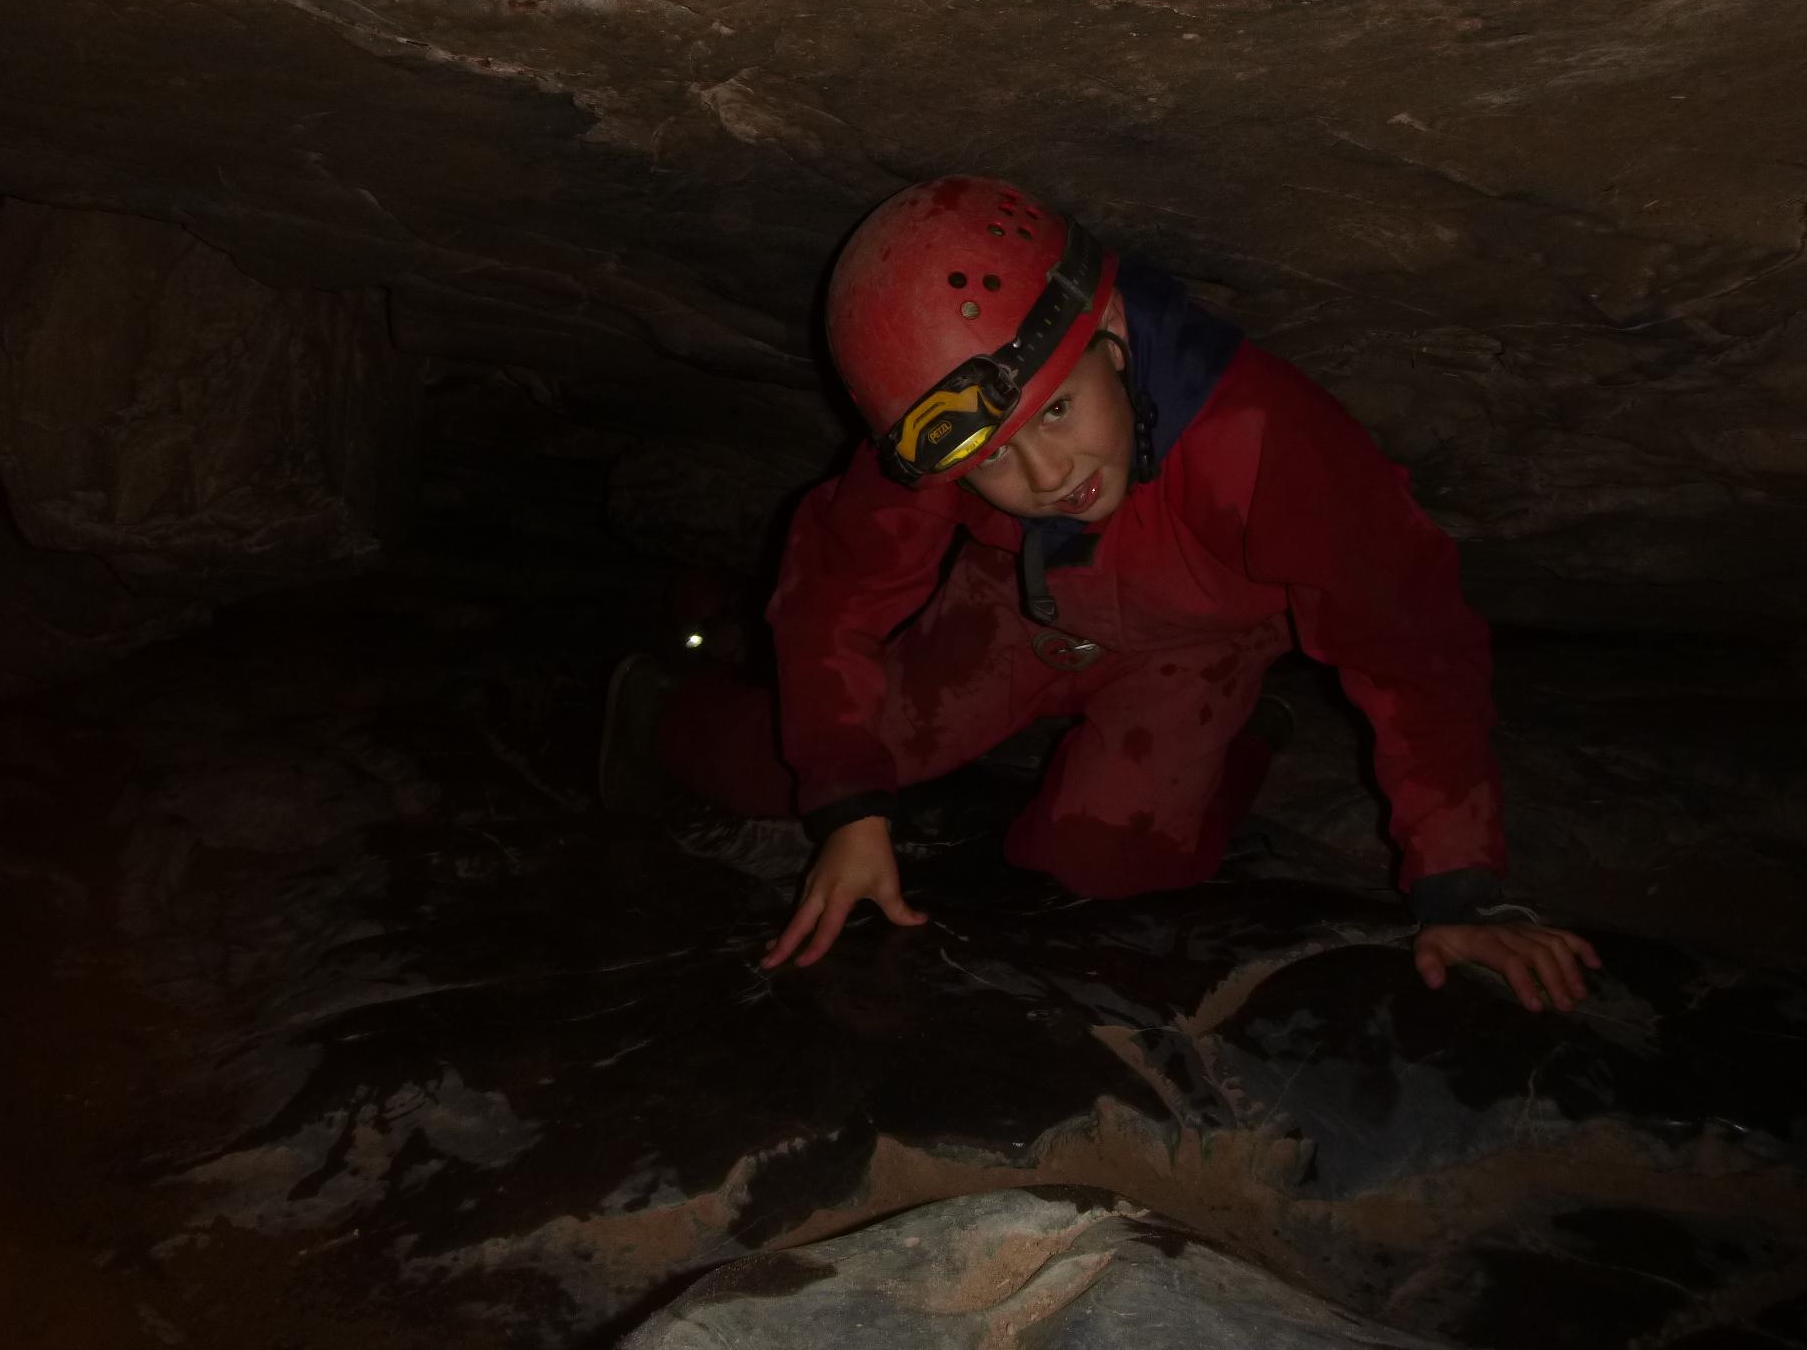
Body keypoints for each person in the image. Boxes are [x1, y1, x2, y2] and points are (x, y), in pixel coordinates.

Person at [603, 176, 1598, 1011]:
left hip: (1195, 649)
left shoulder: (1261, 441)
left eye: (1058, 411)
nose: (1048, 476)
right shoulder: (934, 428)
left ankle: (1248, 738)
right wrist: (848, 804)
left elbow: (1408, 643)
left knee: (1102, 877)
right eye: (990, 457)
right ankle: (659, 707)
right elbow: (837, 591)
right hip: (1008, 609)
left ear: (1111, 332)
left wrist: (1461, 889)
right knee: (787, 777)